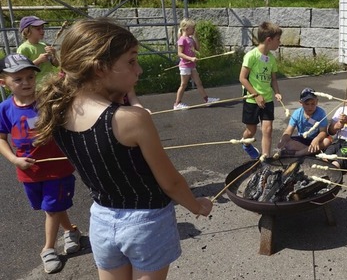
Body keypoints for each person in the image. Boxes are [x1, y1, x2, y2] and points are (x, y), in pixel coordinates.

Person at [34, 18, 213, 280]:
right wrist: (196, 205)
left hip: (102, 220)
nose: (138, 70)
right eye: (131, 61)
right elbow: (170, 182)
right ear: (99, 68)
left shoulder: (56, 111)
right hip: (147, 223)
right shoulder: (131, 119)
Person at [0, 54, 81, 274]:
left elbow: (70, 92)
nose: (26, 82)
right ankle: (71, 231)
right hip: (29, 171)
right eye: (18, 79)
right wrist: (14, 159)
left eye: (29, 77)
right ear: (3, 82)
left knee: (51, 208)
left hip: (57, 168)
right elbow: (1, 138)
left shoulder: (48, 100)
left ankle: (48, 249)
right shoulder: (5, 108)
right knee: (50, 206)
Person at [239, 21, 283, 159]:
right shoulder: (251, 56)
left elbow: (273, 79)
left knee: (268, 130)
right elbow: (242, 78)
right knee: (250, 131)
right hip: (252, 100)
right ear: (269, 40)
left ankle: (265, 158)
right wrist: (256, 95)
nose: (279, 42)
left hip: (268, 99)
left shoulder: (271, 58)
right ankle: (245, 144)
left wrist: (277, 92)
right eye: (278, 40)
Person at [173, 18, 220, 110]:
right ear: (186, 29)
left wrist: (195, 38)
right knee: (183, 85)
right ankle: (177, 104)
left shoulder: (190, 39)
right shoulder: (182, 39)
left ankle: (207, 100)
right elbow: (179, 53)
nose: (194, 30)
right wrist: (191, 58)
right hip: (185, 66)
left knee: (199, 83)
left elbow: (198, 48)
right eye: (193, 28)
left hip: (191, 65)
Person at [276, 87, 331, 157]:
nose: (310, 107)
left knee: (327, 141)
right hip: (302, 140)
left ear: (317, 101)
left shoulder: (321, 113)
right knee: (288, 144)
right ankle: (312, 152)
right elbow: (288, 131)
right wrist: (283, 140)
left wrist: (317, 139)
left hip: (316, 140)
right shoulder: (297, 113)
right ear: (301, 103)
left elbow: (323, 132)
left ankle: (299, 153)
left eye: (313, 104)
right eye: (307, 104)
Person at [16, 16, 59, 82]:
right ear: (27, 31)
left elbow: (56, 64)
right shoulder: (23, 48)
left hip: (49, 82)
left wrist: (54, 54)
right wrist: (38, 60)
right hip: (35, 85)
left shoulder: (43, 45)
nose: (42, 31)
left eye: (42, 28)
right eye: (38, 29)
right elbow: (21, 70)